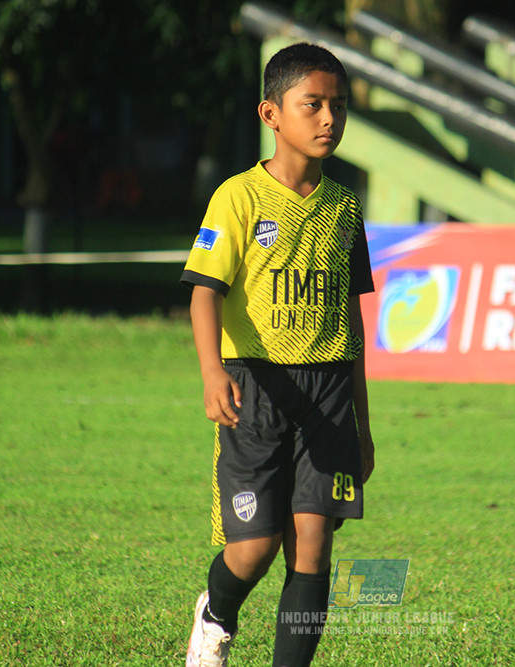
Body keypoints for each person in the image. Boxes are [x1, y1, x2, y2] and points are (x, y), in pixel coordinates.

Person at [180, 42, 375, 667]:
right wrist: (213, 371)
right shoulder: (237, 198)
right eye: (312, 104)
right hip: (255, 389)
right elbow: (204, 294)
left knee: (312, 544)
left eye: (338, 107)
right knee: (255, 548)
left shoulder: (345, 207)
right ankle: (215, 613)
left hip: (329, 392)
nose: (328, 119)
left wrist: (362, 424)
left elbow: (352, 320)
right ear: (271, 113)